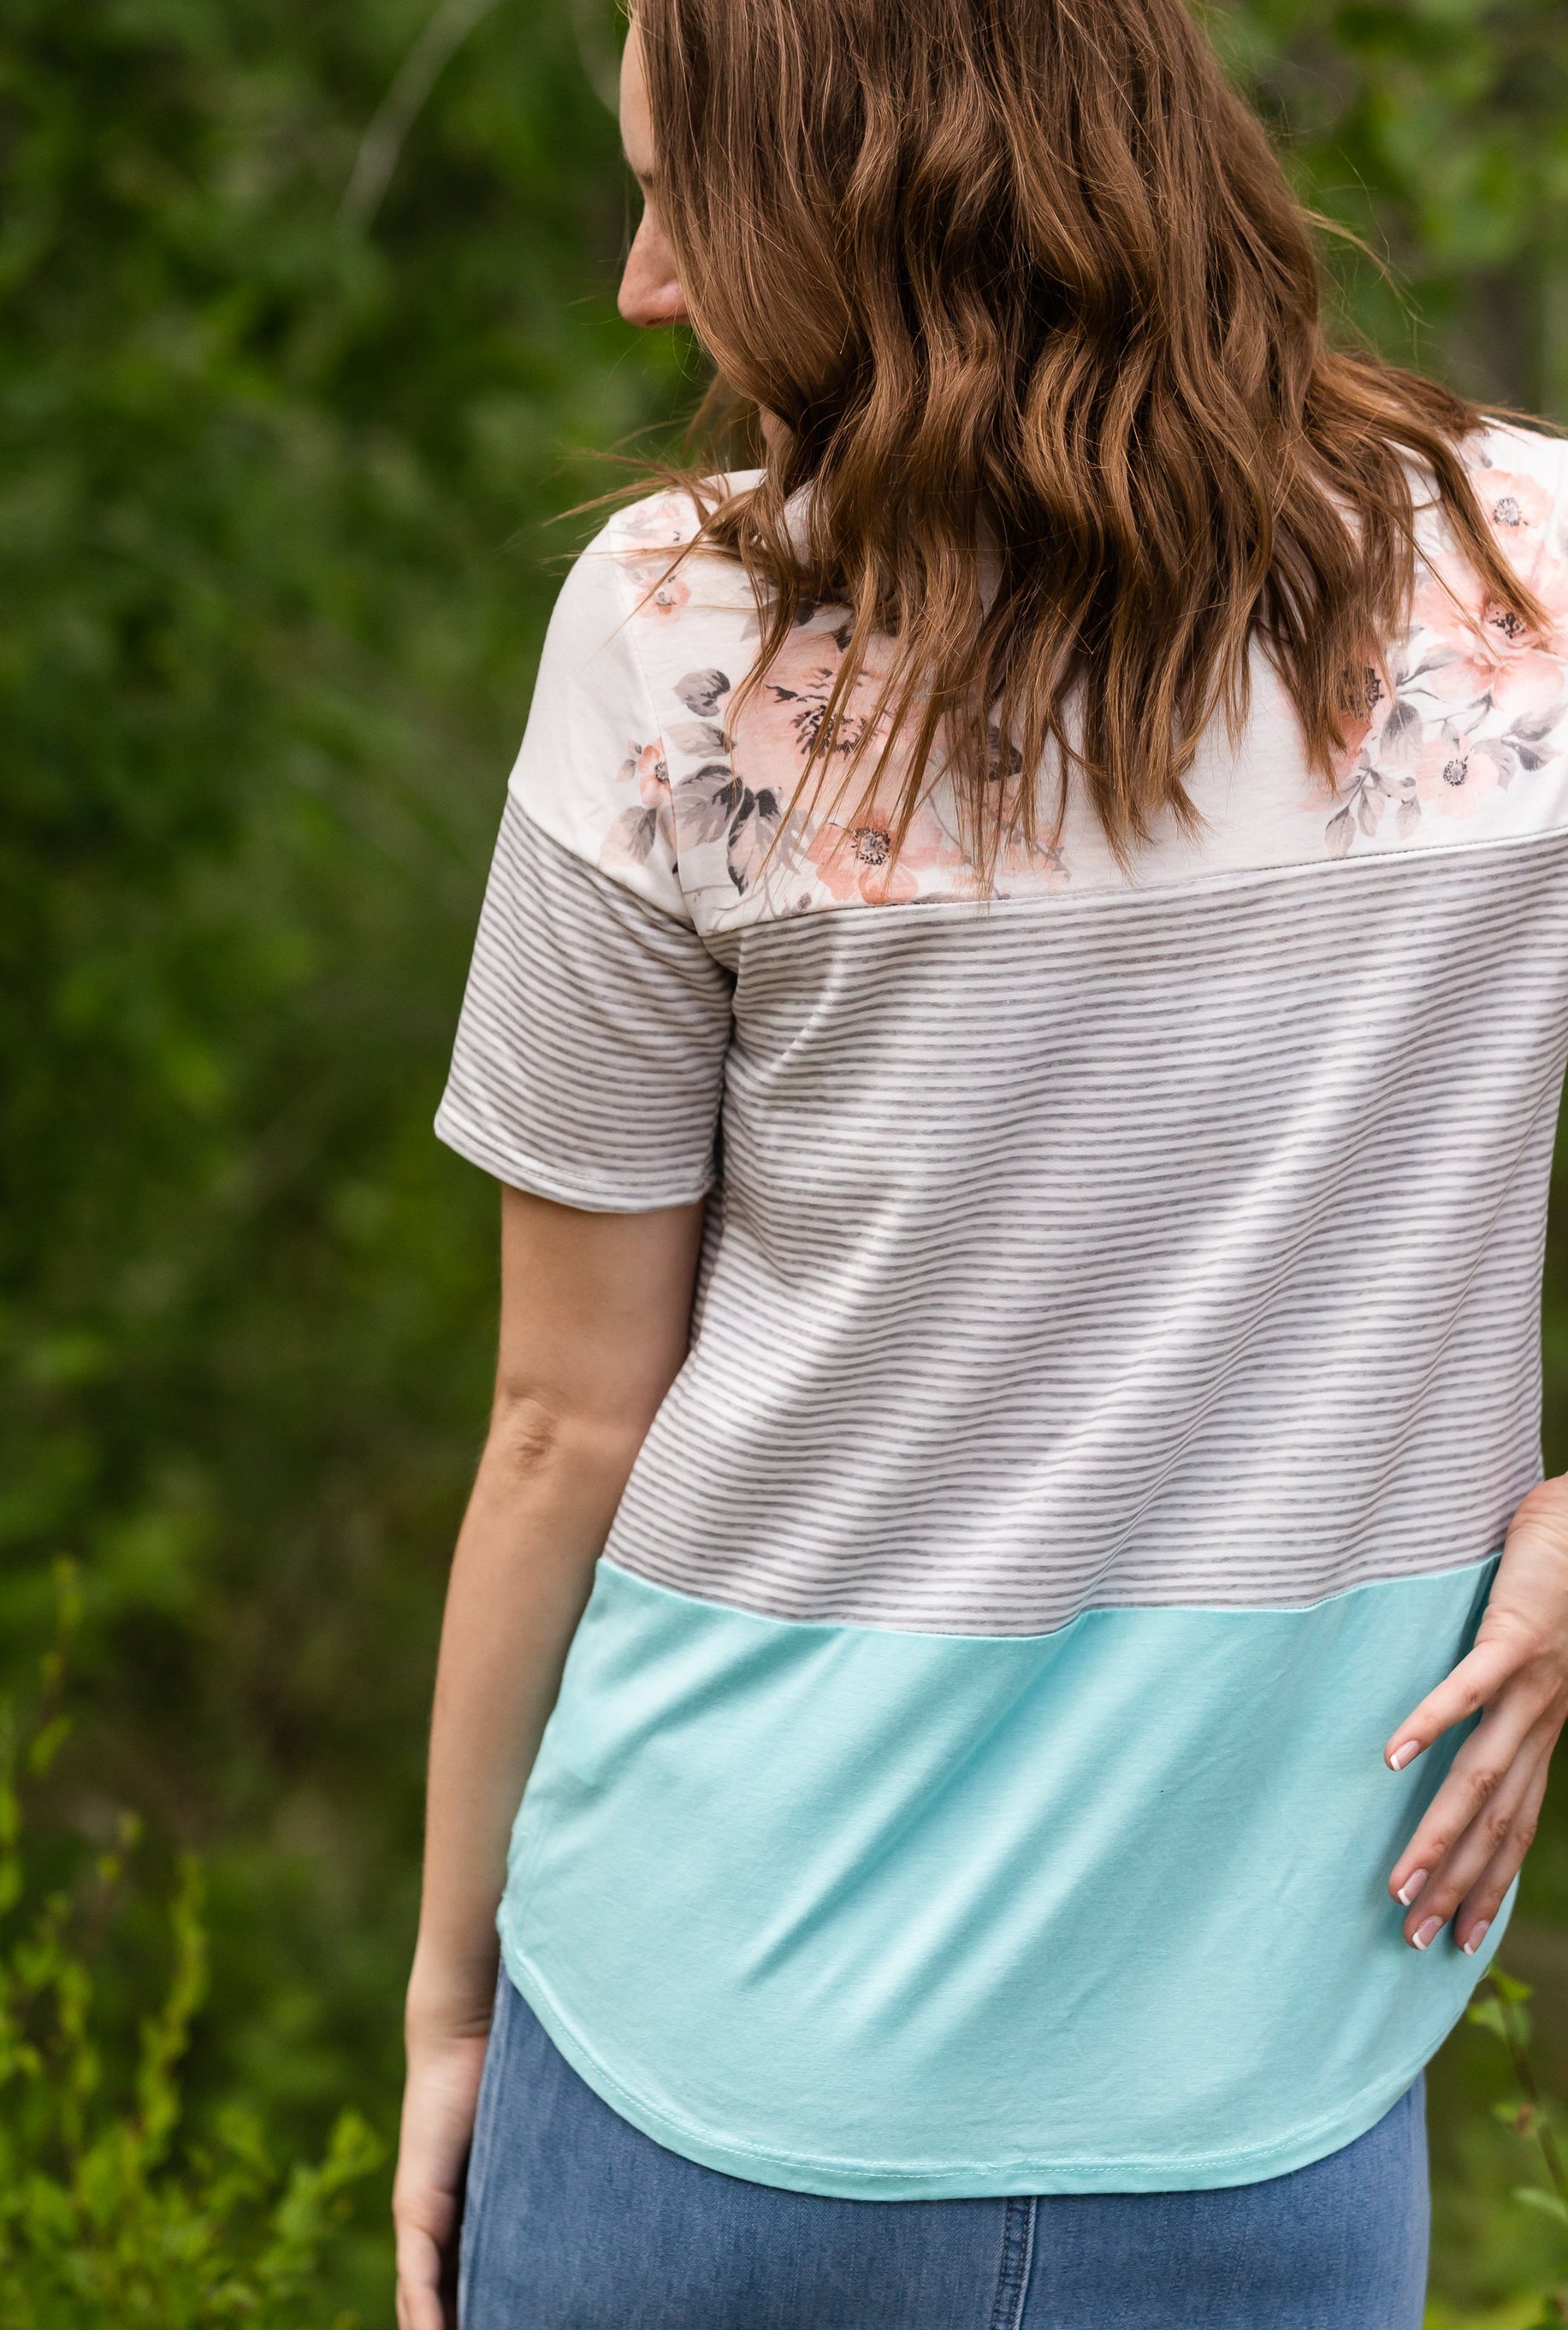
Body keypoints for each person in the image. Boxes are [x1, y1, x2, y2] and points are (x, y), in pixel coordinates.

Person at [393, 1, 1568, 2321]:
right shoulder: (1528, 573)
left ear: (864, 197)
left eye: (672, 195)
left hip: (684, 2065)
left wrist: (447, 2005)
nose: (641, 280)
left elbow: (561, 1420)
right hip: (1264, 2090)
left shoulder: (678, 633)